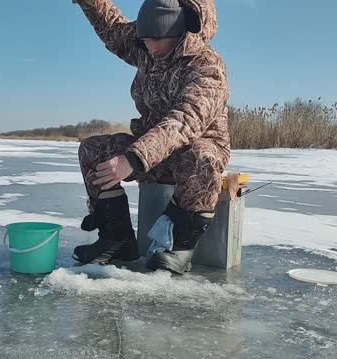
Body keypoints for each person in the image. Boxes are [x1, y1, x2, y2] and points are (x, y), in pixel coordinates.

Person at [72, 0, 230, 274]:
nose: (150, 46)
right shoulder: (146, 49)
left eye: (157, 39)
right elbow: (112, 28)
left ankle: (180, 246)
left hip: (192, 154)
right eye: (144, 39)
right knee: (93, 150)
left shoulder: (207, 66)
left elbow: (185, 120)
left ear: (179, 32)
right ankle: (116, 238)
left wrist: (133, 157)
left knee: (202, 156)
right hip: (152, 154)